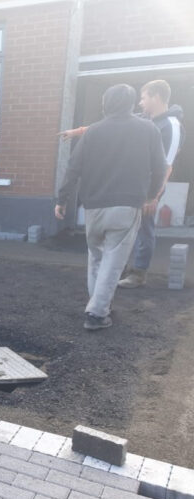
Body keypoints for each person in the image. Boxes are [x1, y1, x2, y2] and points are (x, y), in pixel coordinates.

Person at [55, 84, 167, 331]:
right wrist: (150, 196)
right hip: (127, 206)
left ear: (105, 104)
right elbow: (160, 168)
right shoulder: (148, 129)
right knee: (113, 260)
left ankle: (98, 303)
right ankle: (97, 313)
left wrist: (62, 200)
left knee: (96, 257)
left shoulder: (93, 132)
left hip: (93, 207)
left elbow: (73, 168)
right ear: (129, 103)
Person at [59, 80, 184, 288]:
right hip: (135, 186)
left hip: (150, 188)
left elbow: (166, 164)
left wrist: (154, 195)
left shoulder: (171, 125)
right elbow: (113, 123)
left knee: (144, 228)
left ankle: (138, 273)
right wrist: (77, 132)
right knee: (127, 230)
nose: (141, 103)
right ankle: (120, 268)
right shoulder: (145, 119)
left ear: (156, 97)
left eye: (143, 98)